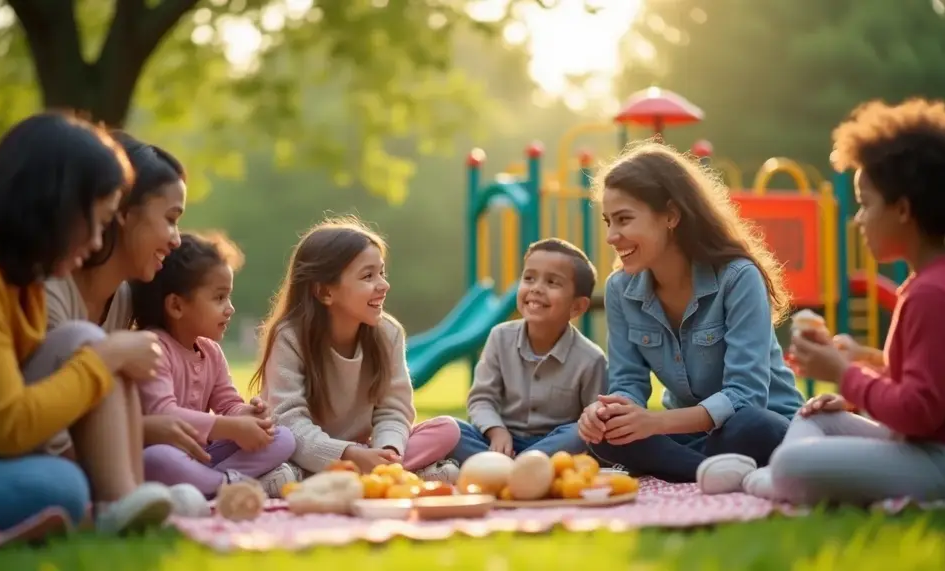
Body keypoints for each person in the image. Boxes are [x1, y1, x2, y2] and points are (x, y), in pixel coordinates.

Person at [697, 98, 945, 504]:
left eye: (865, 204)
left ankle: (768, 479)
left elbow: (918, 412)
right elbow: (931, 390)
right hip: (919, 445)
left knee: (797, 465)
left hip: (935, 462)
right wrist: (857, 380)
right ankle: (778, 475)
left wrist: (844, 372)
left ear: (903, 210)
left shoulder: (931, 294)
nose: (860, 219)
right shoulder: (928, 285)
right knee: (820, 416)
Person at [0, 112, 175, 536]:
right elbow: (11, 428)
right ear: (59, 206)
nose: (95, 243)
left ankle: (124, 499)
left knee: (80, 339)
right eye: (101, 222)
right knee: (61, 486)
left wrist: (105, 354)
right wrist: (103, 359)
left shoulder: (18, 275)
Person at [577, 142, 804, 483]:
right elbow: (628, 383)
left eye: (624, 219)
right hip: (690, 434)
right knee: (608, 434)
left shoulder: (738, 277)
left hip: (763, 425)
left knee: (750, 427)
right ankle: (710, 472)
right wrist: (609, 411)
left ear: (671, 215)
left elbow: (746, 397)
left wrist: (655, 423)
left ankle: (687, 467)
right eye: (609, 221)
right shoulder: (619, 290)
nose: (611, 236)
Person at [42, 132, 212, 505]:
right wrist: (146, 431)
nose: (176, 240)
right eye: (170, 219)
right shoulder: (50, 291)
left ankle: (126, 499)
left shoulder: (123, 300)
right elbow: (41, 420)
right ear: (122, 212)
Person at [250, 216, 461, 483]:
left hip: (365, 451)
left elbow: (394, 410)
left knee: (447, 429)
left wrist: (387, 452)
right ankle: (394, 475)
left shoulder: (388, 333)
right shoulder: (290, 337)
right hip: (306, 452)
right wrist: (347, 454)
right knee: (280, 442)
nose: (384, 285)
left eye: (382, 273)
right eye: (368, 276)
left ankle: (377, 473)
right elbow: (288, 420)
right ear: (325, 292)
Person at [133, 232, 297, 498]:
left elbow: (227, 404)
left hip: (203, 457)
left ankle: (213, 485)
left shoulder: (211, 352)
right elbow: (164, 414)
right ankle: (232, 487)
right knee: (158, 459)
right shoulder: (152, 347)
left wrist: (247, 415)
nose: (230, 308)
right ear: (176, 305)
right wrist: (230, 427)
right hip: (162, 454)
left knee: (283, 437)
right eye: (219, 298)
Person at [450, 238, 606, 463]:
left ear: (577, 306)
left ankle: (512, 467)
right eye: (529, 278)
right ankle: (512, 466)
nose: (536, 288)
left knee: (580, 433)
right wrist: (496, 431)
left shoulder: (591, 359)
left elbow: (592, 422)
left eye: (552, 282)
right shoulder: (499, 337)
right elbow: (482, 398)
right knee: (449, 428)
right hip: (500, 442)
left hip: (554, 447)